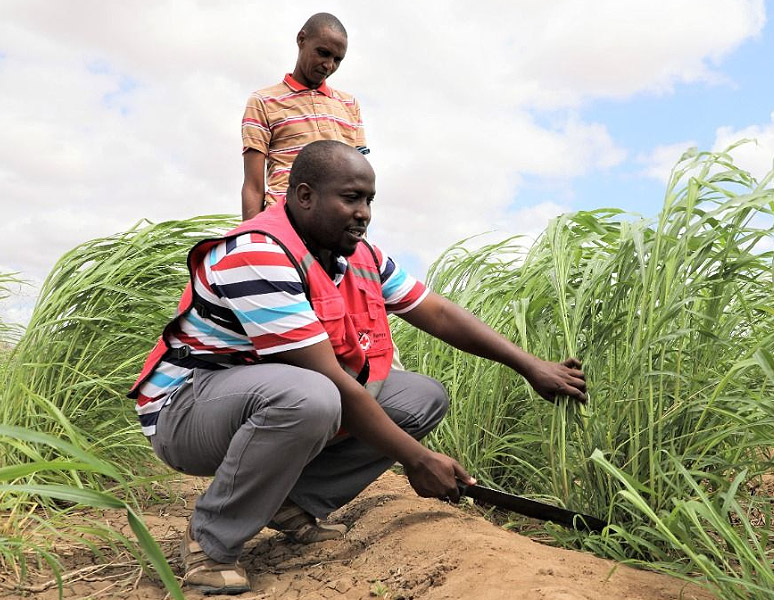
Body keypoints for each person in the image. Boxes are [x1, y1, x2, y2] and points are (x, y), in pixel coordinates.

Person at [128, 140, 587, 595]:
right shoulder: (258, 251)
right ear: (304, 195)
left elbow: (438, 313)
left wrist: (530, 366)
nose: (364, 212)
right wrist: (418, 460)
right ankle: (210, 541)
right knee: (312, 397)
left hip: (268, 395)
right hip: (186, 410)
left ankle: (290, 501)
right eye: (351, 198)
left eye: (369, 200)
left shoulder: (359, 256)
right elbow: (332, 384)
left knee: (421, 397)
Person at [241, 12, 368, 221]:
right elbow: (253, 187)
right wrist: (250, 238)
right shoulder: (263, 101)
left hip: (337, 224)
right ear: (301, 39)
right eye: (323, 53)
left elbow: (358, 182)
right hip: (286, 223)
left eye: (337, 59)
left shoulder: (349, 104)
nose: (329, 65)